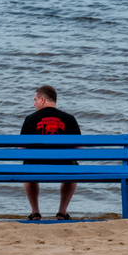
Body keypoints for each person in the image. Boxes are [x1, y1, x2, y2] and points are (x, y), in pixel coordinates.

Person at [20, 85, 81, 220]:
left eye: (35, 99)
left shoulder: (30, 119)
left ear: (42, 99)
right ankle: (62, 212)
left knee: (27, 165)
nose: (34, 103)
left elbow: (21, 150)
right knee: (73, 166)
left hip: (35, 167)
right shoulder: (69, 119)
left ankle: (35, 212)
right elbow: (80, 150)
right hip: (64, 168)